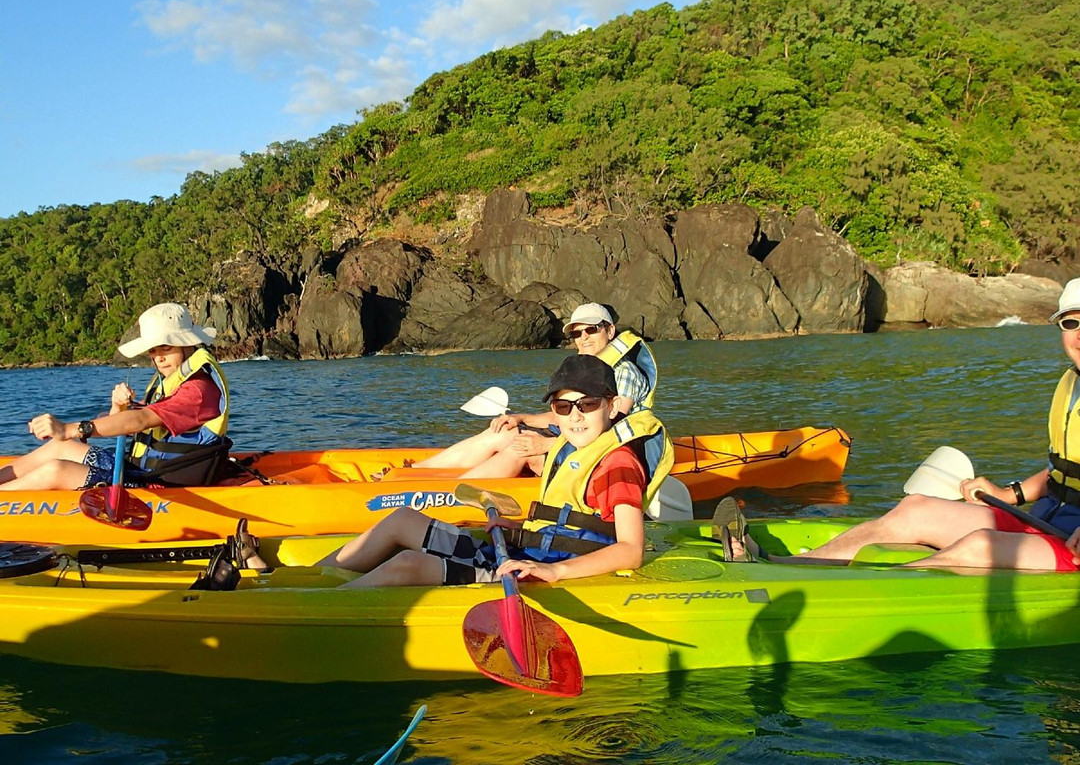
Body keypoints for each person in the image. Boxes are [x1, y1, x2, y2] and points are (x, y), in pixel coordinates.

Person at [730, 277, 1080, 572]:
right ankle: (781, 565)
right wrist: (1008, 494)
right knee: (916, 509)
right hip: (1045, 522)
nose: (1079, 334)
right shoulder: (1070, 383)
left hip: (1073, 546)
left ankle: (859, 587)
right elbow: (1059, 472)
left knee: (979, 545)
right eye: (1071, 323)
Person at [318, 354, 673, 588]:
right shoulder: (567, 449)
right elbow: (561, 523)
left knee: (409, 565)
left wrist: (553, 571)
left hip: (538, 573)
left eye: (588, 404)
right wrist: (517, 529)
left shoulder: (618, 465)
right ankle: (307, 579)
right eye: (564, 407)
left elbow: (630, 549)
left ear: (611, 407)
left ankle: (318, 607)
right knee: (401, 520)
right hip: (521, 556)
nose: (575, 416)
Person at [0, 302, 231, 491]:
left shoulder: (198, 390)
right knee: (59, 447)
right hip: (140, 470)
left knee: (56, 470)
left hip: (157, 485)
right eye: (153, 350)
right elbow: (128, 425)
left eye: (166, 348)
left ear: (187, 344)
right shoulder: (173, 382)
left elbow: (141, 421)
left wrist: (71, 428)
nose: (159, 358)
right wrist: (118, 408)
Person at [411, 302, 659, 478]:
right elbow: (566, 416)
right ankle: (416, 472)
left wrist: (546, 446)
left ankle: (450, 495)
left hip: (603, 460)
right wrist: (520, 418)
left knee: (519, 448)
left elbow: (612, 431)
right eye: (576, 333)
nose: (583, 338)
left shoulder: (624, 372)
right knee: (506, 432)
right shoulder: (588, 368)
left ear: (610, 331)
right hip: (577, 444)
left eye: (591, 330)